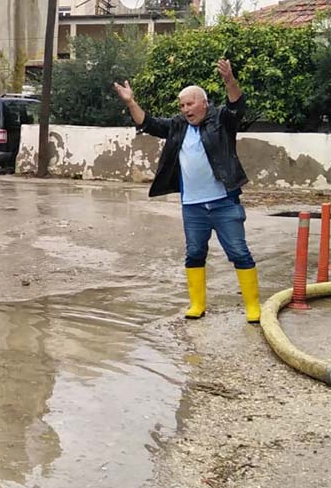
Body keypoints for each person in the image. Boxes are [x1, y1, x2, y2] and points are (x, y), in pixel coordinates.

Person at [112, 60, 261, 324]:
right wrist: (130, 102)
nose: (185, 109)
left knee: (239, 252)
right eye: (181, 105)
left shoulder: (221, 122)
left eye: (189, 104)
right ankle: (197, 304)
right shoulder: (178, 125)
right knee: (194, 254)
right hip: (192, 206)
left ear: (203, 103)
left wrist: (230, 81)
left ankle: (252, 307)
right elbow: (149, 123)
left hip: (224, 202)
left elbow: (237, 106)